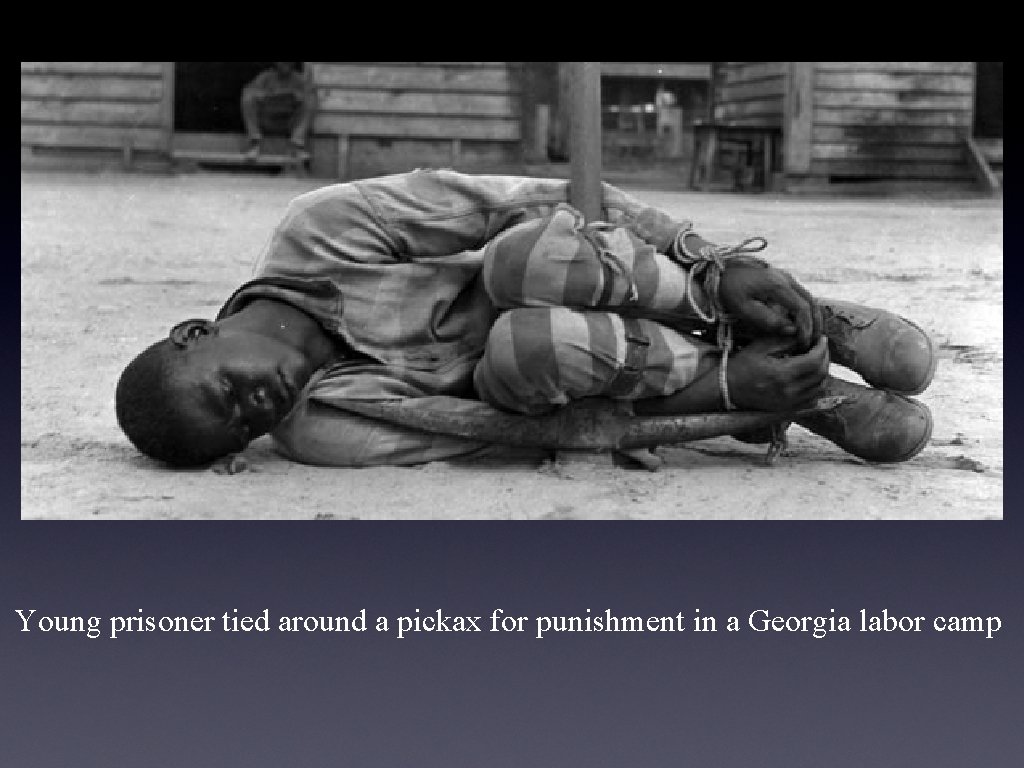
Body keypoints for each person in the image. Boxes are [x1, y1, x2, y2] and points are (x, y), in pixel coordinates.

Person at [115, 170, 935, 469]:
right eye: (236, 436)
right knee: (521, 347)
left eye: (225, 394)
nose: (253, 416)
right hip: (601, 364)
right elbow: (514, 432)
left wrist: (719, 261)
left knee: (519, 259)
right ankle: (797, 389)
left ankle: (786, 315)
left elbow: (539, 200)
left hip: (633, 281)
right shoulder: (321, 426)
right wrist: (729, 399)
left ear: (196, 332)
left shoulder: (319, 228)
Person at [240, 62, 316, 161]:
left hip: (289, 124)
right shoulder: (265, 77)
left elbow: (309, 94)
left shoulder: (299, 79)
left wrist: (299, 96)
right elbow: (249, 91)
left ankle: (297, 145)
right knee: (248, 97)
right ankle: (255, 143)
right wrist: (265, 95)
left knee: (311, 99)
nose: (285, 64)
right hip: (268, 121)